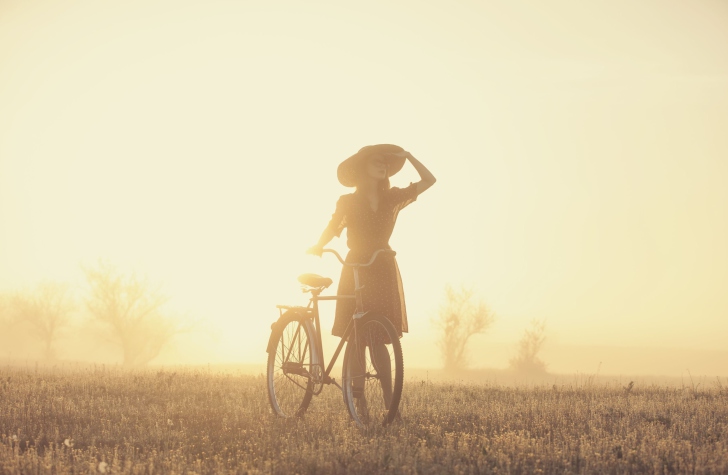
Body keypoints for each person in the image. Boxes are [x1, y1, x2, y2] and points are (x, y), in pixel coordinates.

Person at [307, 144, 436, 413]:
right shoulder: (348, 201)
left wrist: (409, 156)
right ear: (362, 168)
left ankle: (391, 404)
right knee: (356, 338)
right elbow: (334, 226)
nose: (383, 166)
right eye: (376, 162)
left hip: (383, 264)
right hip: (356, 264)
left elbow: (429, 180)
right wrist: (319, 245)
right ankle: (359, 401)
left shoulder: (393, 198)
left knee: (379, 336)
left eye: (385, 164)